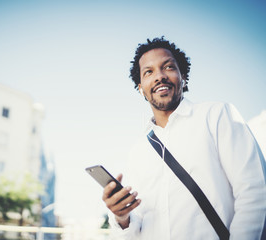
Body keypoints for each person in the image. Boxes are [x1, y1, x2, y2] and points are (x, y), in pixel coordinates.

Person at [102, 37, 266, 239]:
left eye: (168, 67)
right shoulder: (138, 151)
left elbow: (255, 191)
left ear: (183, 77)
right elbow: (135, 229)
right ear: (141, 88)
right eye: (148, 72)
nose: (159, 76)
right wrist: (122, 217)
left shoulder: (216, 116)